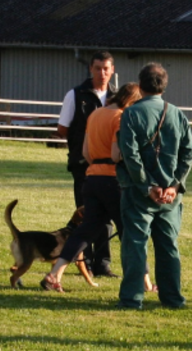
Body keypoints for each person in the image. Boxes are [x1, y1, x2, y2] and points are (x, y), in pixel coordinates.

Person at [41, 82, 156, 295]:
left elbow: (86, 152)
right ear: (132, 102)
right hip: (114, 181)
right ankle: (146, 283)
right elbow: (116, 153)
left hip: (92, 179)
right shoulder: (122, 118)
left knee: (85, 231)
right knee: (131, 232)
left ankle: (54, 274)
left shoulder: (95, 114)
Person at [116, 63, 192, 310]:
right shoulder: (177, 114)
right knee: (168, 246)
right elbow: (189, 152)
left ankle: (132, 299)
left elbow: (129, 154)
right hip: (170, 197)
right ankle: (172, 298)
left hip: (139, 194)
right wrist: (175, 185)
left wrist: (146, 185)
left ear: (140, 86)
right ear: (164, 85)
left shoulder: (131, 113)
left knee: (135, 246)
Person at [57, 51, 117, 277]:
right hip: (83, 165)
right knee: (86, 214)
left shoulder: (118, 97)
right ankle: (86, 262)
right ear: (90, 69)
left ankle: (103, 263)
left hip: (110, 167)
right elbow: (62, 128)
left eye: (106, 68)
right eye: (98, 68)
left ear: (112, 71)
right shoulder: (75, 95)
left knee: (108, 216)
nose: (102, 73)